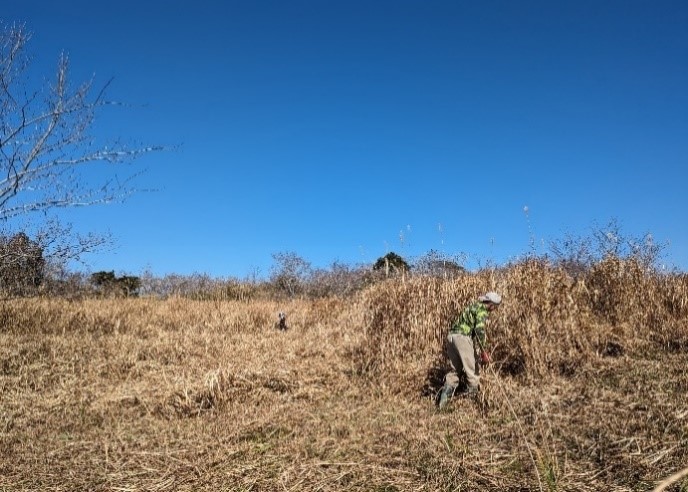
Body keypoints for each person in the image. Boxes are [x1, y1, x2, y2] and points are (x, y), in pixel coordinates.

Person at [437, 291, 502, 408]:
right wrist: (484, 352)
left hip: (451, 337)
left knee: (454, 371)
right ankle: (471, 407)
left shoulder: (473, 306)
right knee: (472, 371)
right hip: (462, 338)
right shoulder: (482, 310)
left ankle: (442, 405)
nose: (494, 310)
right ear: (491, 304)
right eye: (495, 307)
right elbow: (479, 331)